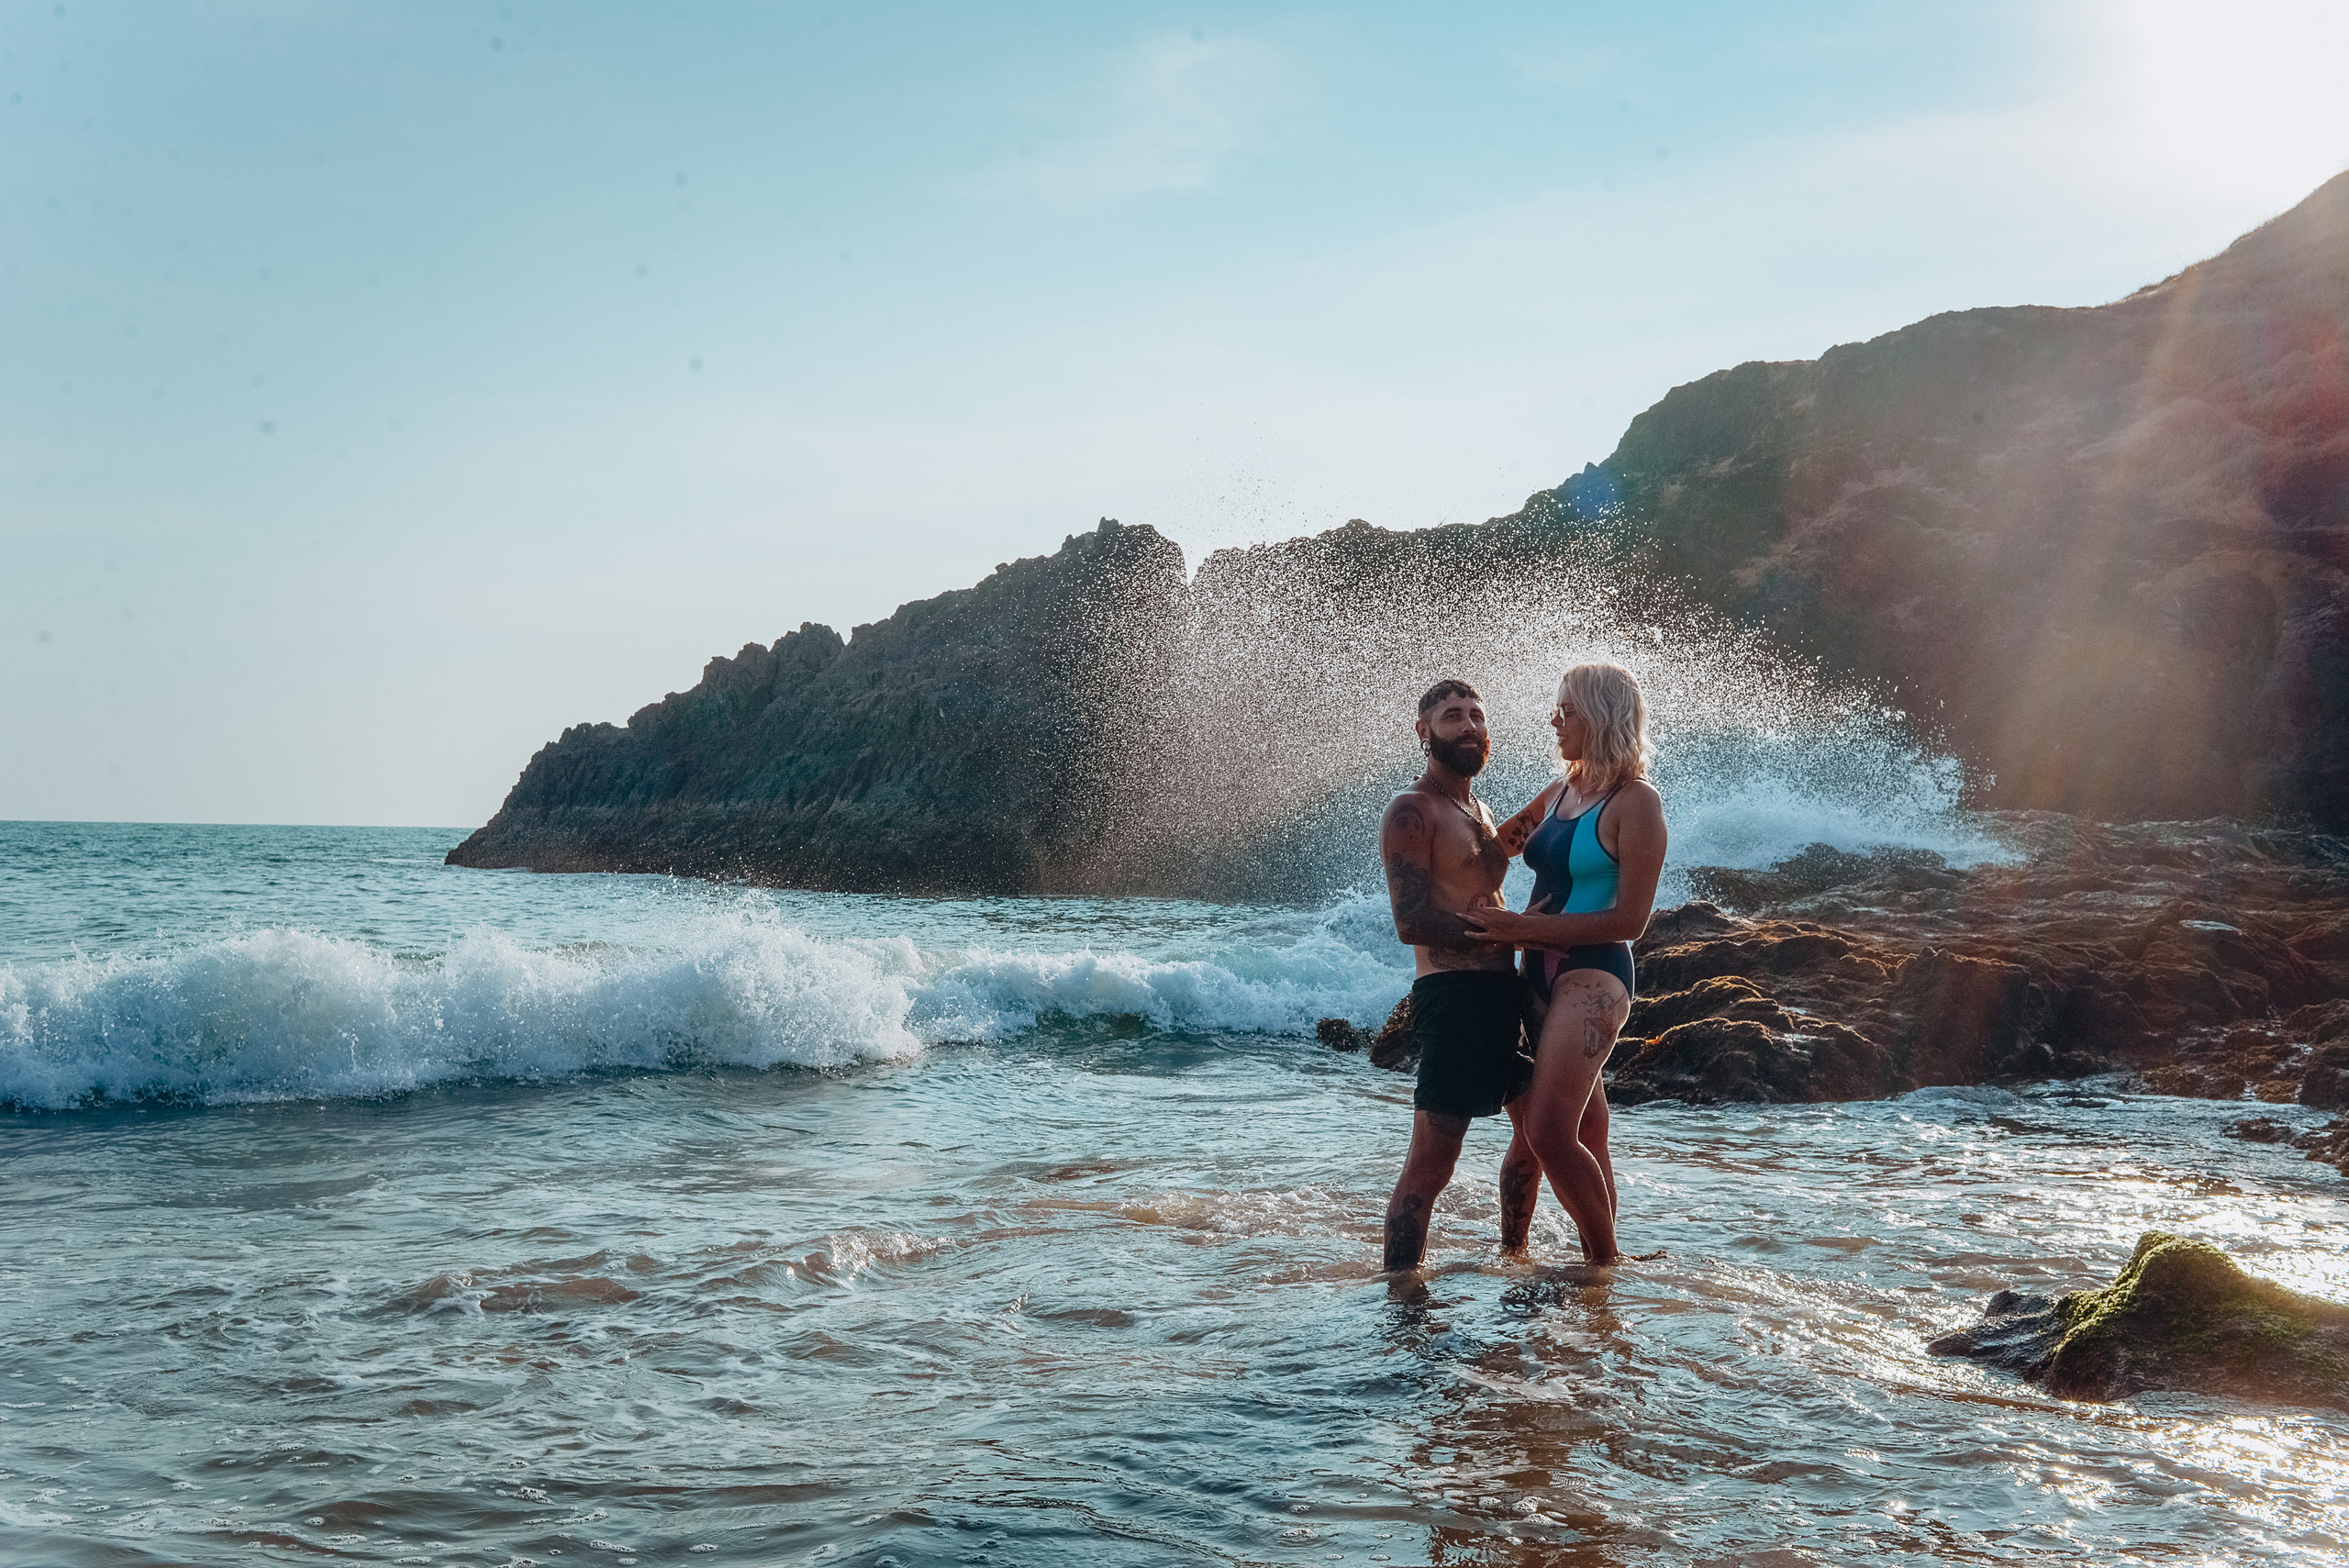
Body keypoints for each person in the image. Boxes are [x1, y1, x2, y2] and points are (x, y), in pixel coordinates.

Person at [1467, 662, 1666, 1266]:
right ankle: (1515, 1256)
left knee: (1550, 1131)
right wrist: (1442, 822)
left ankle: (1606, 1269)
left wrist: (1521, 928)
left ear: (1601, 716)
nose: (1554, 720)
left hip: (1596, 976)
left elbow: (1629, 920)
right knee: (1581, 1130)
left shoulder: (1637, 803)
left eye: (1567, 710)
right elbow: (1492, 849)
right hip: (1533, 977)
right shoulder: (1558, 794)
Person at [1377, 680, 1549, 1272]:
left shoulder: (1473, 809)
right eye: (1453, 717)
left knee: (1538, 1137)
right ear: (1423, 732)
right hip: (1453, 999)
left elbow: (1494, 860)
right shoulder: (1412, 811)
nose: (1469, 725)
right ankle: (1400, 1293)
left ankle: (1513, 1257)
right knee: (1434, 1161)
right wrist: (1508, 930)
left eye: (1477, 715)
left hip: (1505, 995)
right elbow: (1412, 921)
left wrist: (1566, 786)